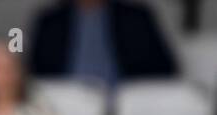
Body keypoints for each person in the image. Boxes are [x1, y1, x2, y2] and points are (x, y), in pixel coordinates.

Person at [31, 0, 177, 85]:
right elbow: (34, 73)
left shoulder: (136, 18)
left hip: (124, 107)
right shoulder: (50, 22)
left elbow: (166, 69)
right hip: (66, 106)